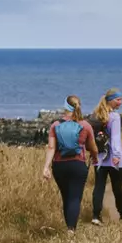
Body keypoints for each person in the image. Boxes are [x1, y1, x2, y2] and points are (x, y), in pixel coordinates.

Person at [38, 97, 95, 230]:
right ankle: (71, 230)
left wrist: (46, 167)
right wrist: (96, 157)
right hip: (78, 165)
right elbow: (92, 147)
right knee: (75, 198)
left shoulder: (55, 125)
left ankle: (69, 226)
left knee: (66, 197)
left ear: (65, 107)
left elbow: (51, 148)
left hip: (59, 166)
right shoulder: (85, 125)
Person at [88, 89, 122, 224]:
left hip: (99, 158)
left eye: (121, 99)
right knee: (118, 187)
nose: (120, 102)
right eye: (118, 99)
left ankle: (95, 215)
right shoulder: (115, 117)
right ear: (110, 100)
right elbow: (115, 138)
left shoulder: (96, 115)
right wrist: (116, 155)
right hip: (113, 159)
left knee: (99, 187)